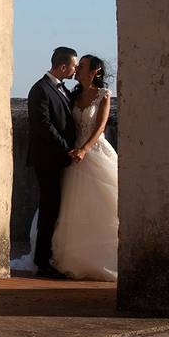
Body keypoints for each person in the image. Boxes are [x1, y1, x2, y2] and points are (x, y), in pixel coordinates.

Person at [50, 55, 119, 281]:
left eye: (82, 67)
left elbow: (100, 127)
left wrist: (85, 149)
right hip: (73, 154)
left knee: (101, 206)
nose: (77, 70)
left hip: (93, 151)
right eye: (76, 66)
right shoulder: (74, 95)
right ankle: (73, 257)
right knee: (72, 205)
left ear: (95, 71)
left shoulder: (103, 95)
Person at [26, 47, 78, 278]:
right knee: (49, 209)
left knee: (54, 208)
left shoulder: (61, 89)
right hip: (47, 159)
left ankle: (46, 257)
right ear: (63, 66)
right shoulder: (40, 89)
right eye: (73, 66)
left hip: (58, 159)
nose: (75, 69)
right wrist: (65, 148)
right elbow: (43, 125)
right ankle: (42, 261)